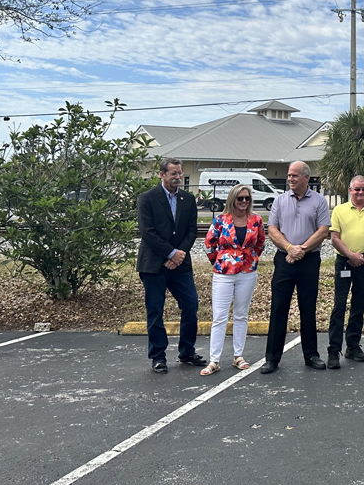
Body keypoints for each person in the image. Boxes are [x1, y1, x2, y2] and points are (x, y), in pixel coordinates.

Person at [136, 158, 207, 373]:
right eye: (173, 173)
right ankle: (158, 356)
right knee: (156, 311)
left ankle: (187, 352)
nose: (178, 177)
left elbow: (191, 231)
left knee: (191, 305)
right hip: (154, 265)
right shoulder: (147, 198)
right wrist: (170, 253)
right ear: (162, 175)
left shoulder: (188, 199)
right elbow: (147, 232)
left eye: (180, 173)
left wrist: (179, 254)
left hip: (180, 265)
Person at [259, 161, 331, 374]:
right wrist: (290, 248)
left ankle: (311, 355)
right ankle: (272, 358)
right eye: (289, 176)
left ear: (306, 178)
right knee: (279, 309)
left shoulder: (319, 201)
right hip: (284, 261)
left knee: (307, 309)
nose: (290, 179)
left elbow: (323, 230)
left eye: (294, 176)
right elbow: (272, 229)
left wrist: (302, 250)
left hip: (309, 261)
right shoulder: (280, 200)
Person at [200, 184, 266, 376]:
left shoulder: (256, 220)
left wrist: (251, 259)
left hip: (247, 272)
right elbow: (209, 244)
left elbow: (260, 242)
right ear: (233, 200)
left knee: (241, 314)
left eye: (247, 198)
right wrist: (219, 262)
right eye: (240, 199)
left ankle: (238, 355)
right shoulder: (221, 220)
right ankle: (214, 360)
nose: (244, 202)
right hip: (223, 273)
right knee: (219, 317)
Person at [326, 175, 364, 369]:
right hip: (344, 262)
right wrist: (351, 255)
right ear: (350, 190)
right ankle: (334, 350)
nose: (361, 192)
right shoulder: (339, 210)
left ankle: (353, 346)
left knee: (358, 306)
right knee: (339, 306)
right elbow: (334, 238)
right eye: (357, 189)